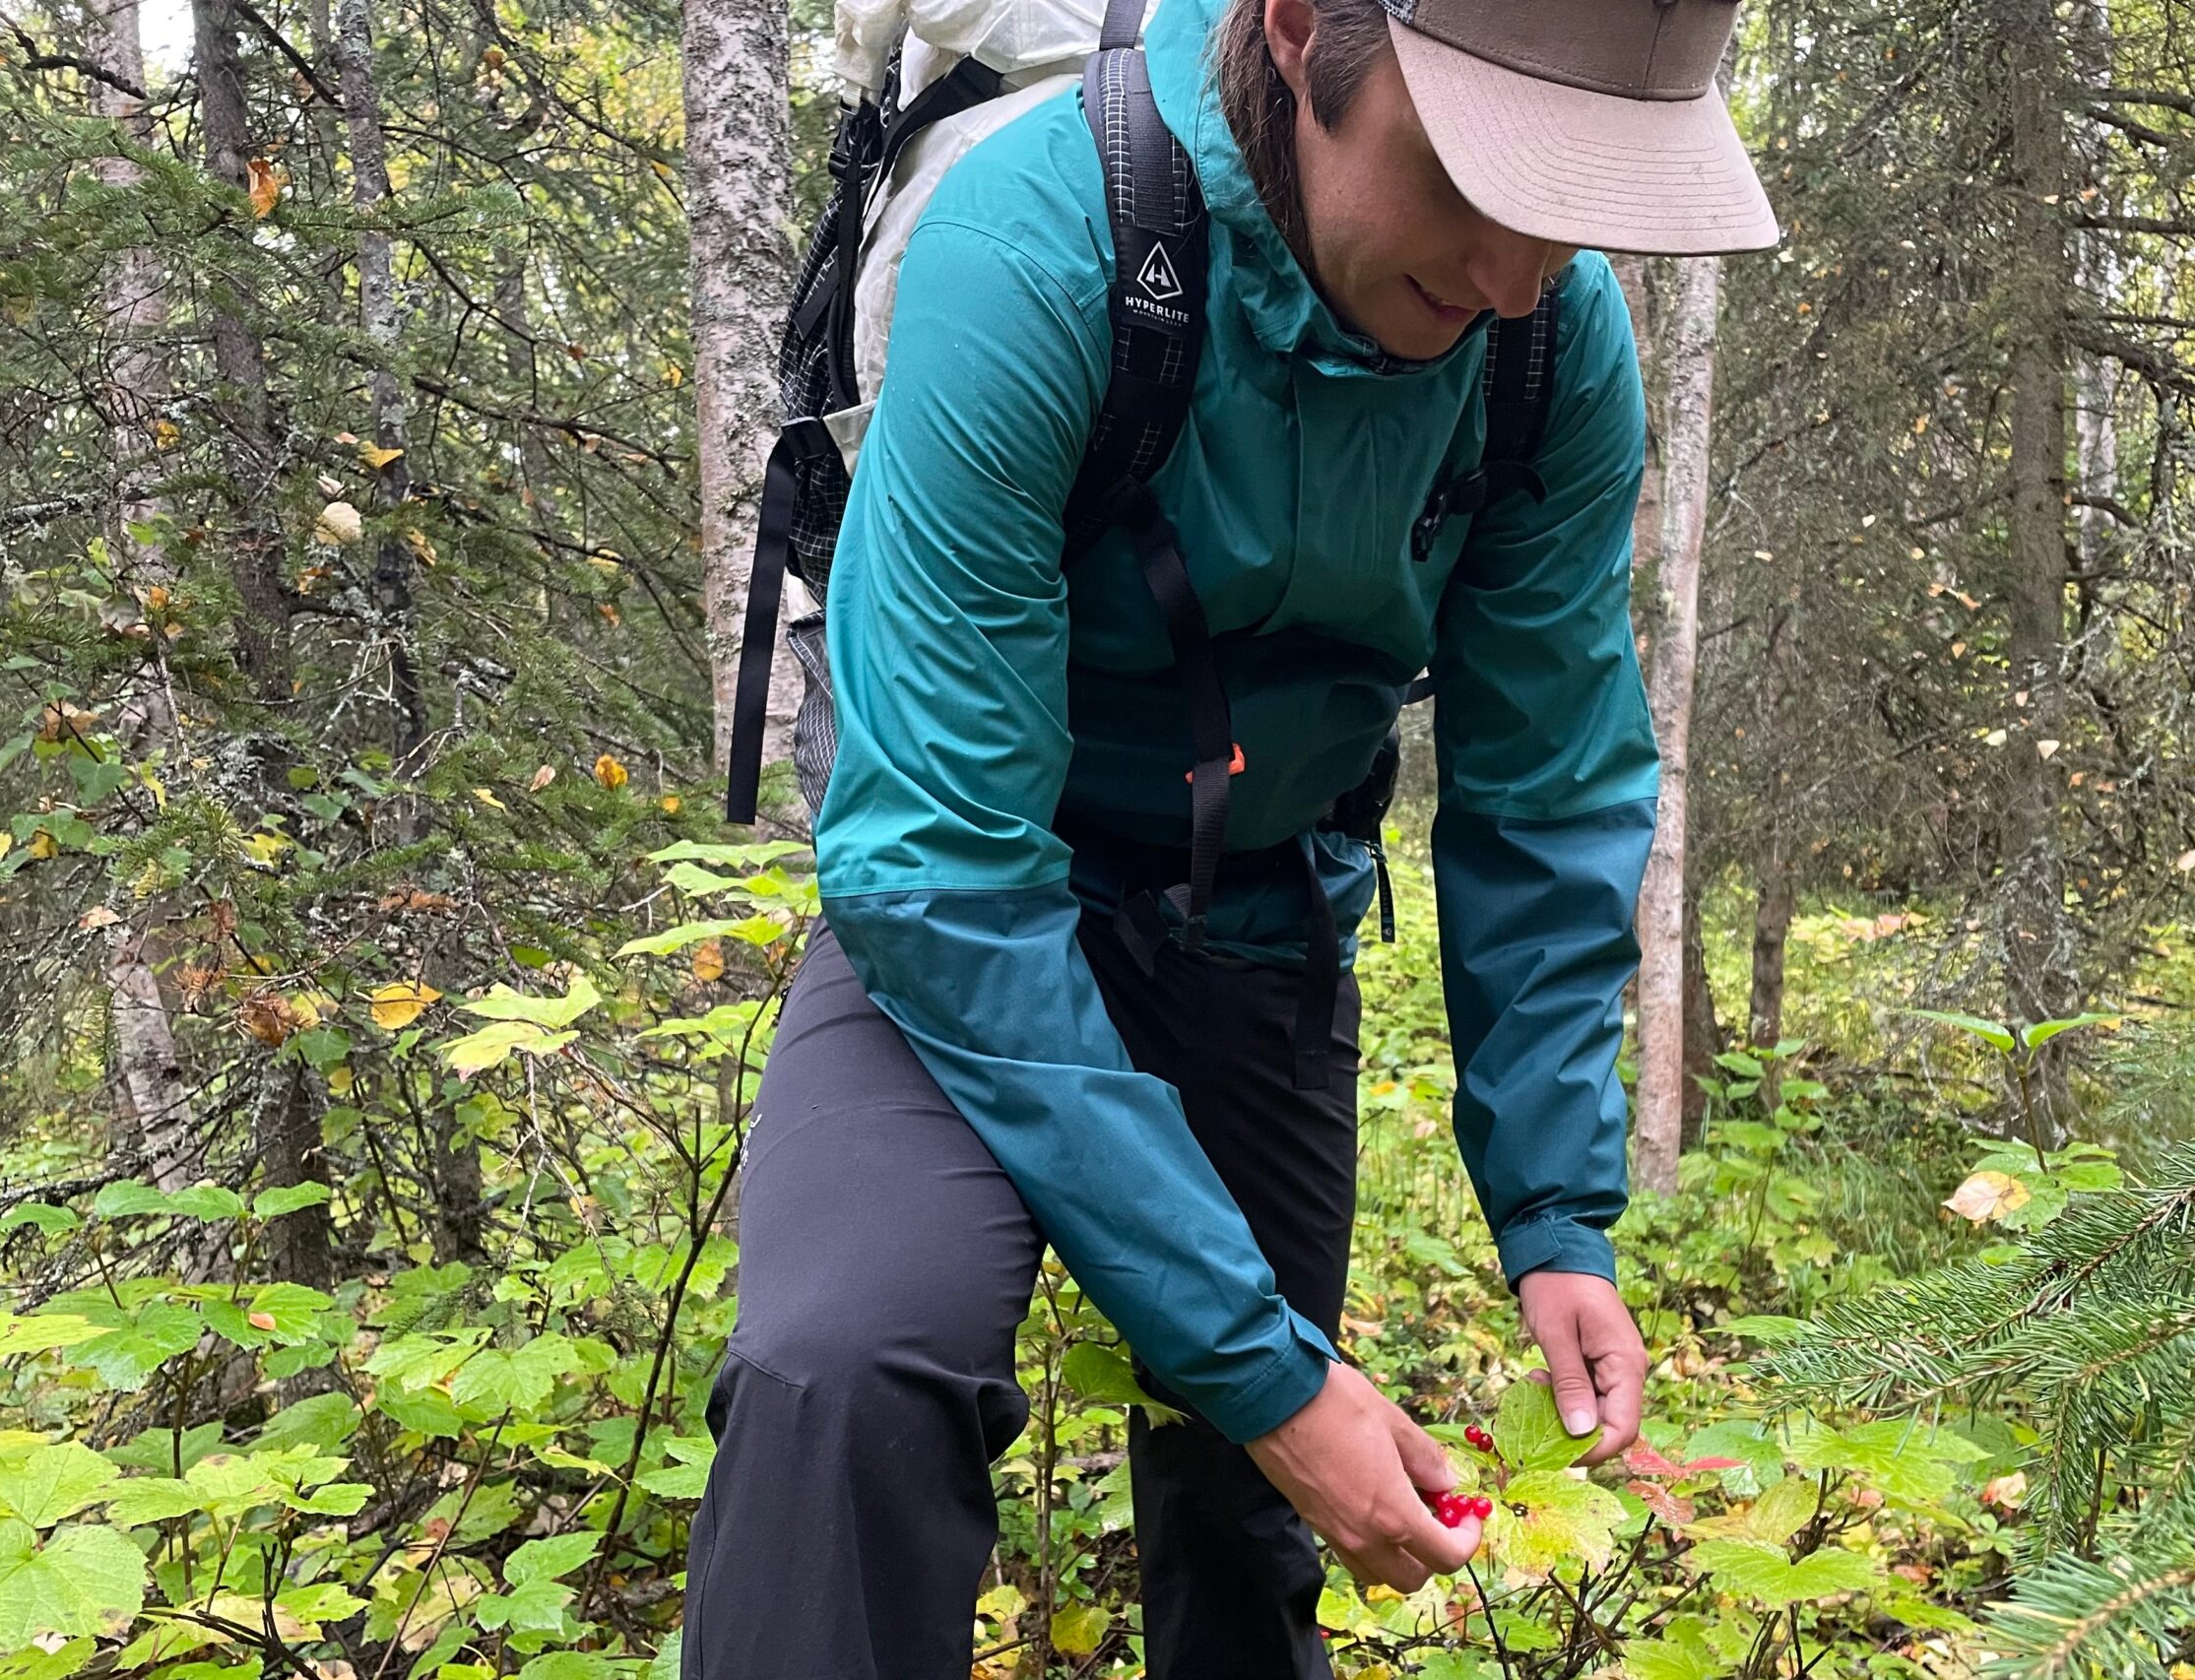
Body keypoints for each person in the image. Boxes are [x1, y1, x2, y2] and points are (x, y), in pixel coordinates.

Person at [679, 0, 1777, 1674]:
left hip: (1255, 914)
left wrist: (1557, 1215)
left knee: (1253, 1519)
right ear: (1293, 31)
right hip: (964, 902)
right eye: (1469, 175)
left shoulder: (1554, 351)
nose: (1510, 274)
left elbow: (1545, 782)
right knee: (846, 1369)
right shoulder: (1035, 252)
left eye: (1571, 203)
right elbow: (942, 869)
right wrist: (1267, 1371)